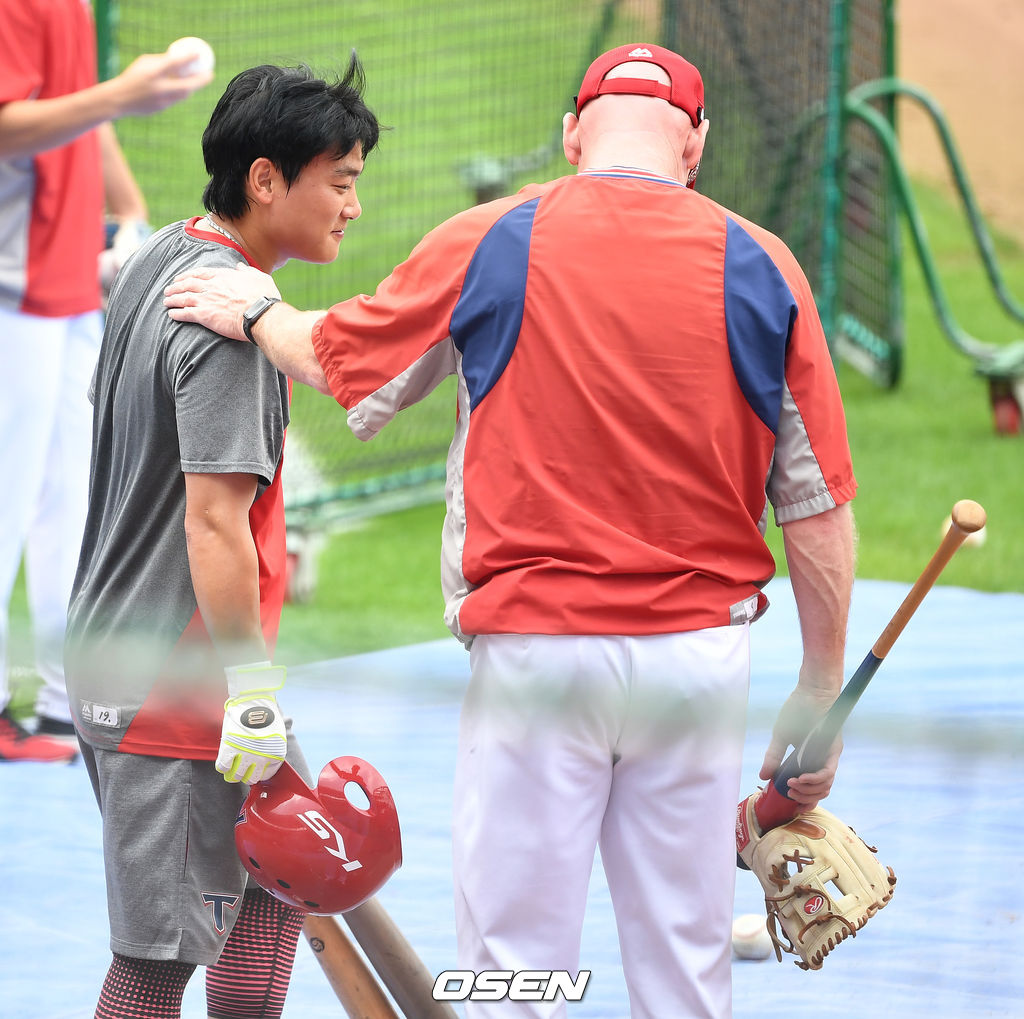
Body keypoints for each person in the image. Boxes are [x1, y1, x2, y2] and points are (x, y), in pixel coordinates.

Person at [165, 42, 857, 1019]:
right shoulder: (764, 262)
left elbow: (339, 358)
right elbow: (817, 507)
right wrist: (820, 690)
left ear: (574, 131)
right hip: (700, 664)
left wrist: (257, 308)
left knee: (510, 967)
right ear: (693, 143)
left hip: (537, 656)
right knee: (686, 958)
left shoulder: (495, 234)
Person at [64, 58, 380, 1019]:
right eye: (342, 181)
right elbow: (213, 518)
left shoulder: (163, 254)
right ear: (266, 179)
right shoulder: (233, 325)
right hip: (178, 684)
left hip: (147, 660)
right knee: (158, 959)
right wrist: (248, 691)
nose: (353, 209)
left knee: (274, 895)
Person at [0, 0, 214, 762]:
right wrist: (123, 92)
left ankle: (66, 703)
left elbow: (73, 108)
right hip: (8, 281)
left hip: (62, 277)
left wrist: (128, 208)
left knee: (80, 496)